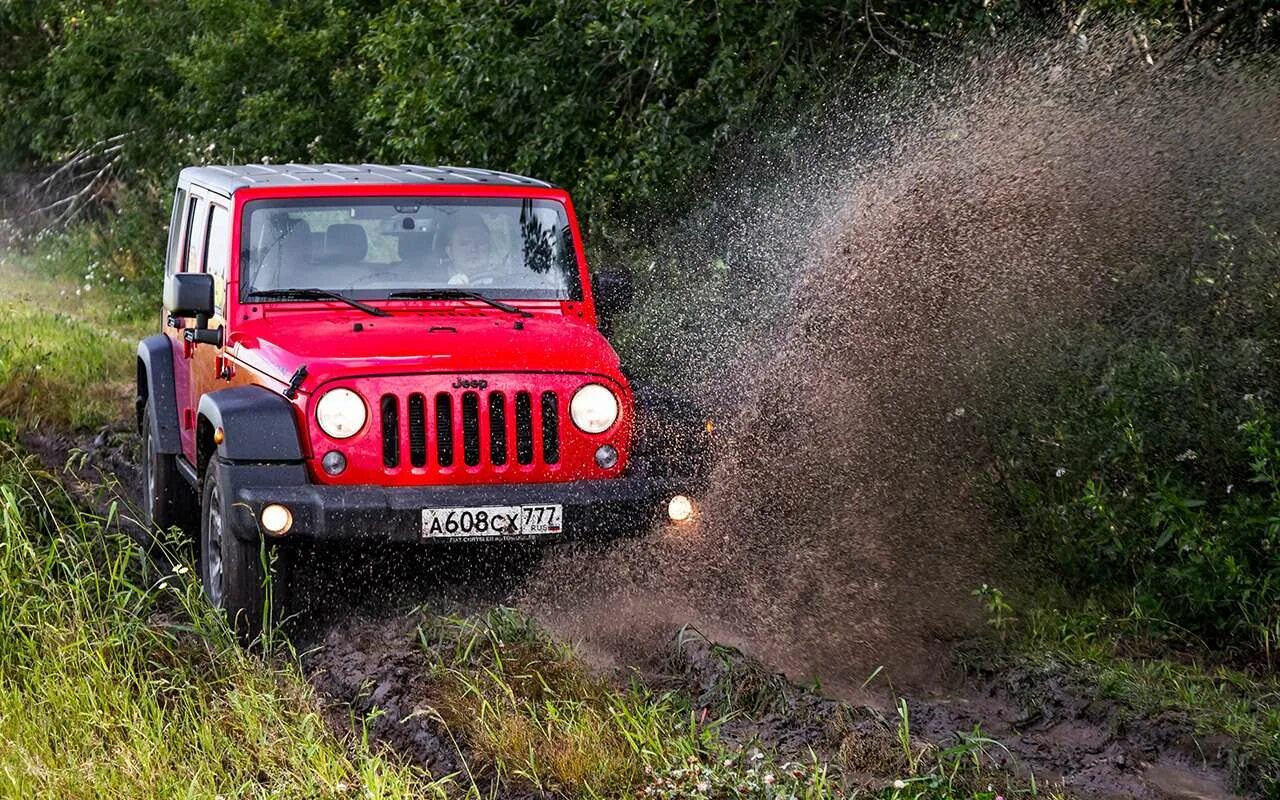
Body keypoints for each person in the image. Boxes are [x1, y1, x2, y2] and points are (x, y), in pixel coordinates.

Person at [438, 211, 496, 286]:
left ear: (489, 248)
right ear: (450, 252)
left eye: (481, 242)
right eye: (464, 244)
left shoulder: (508, 281)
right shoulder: (432, 283)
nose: (473, 249)